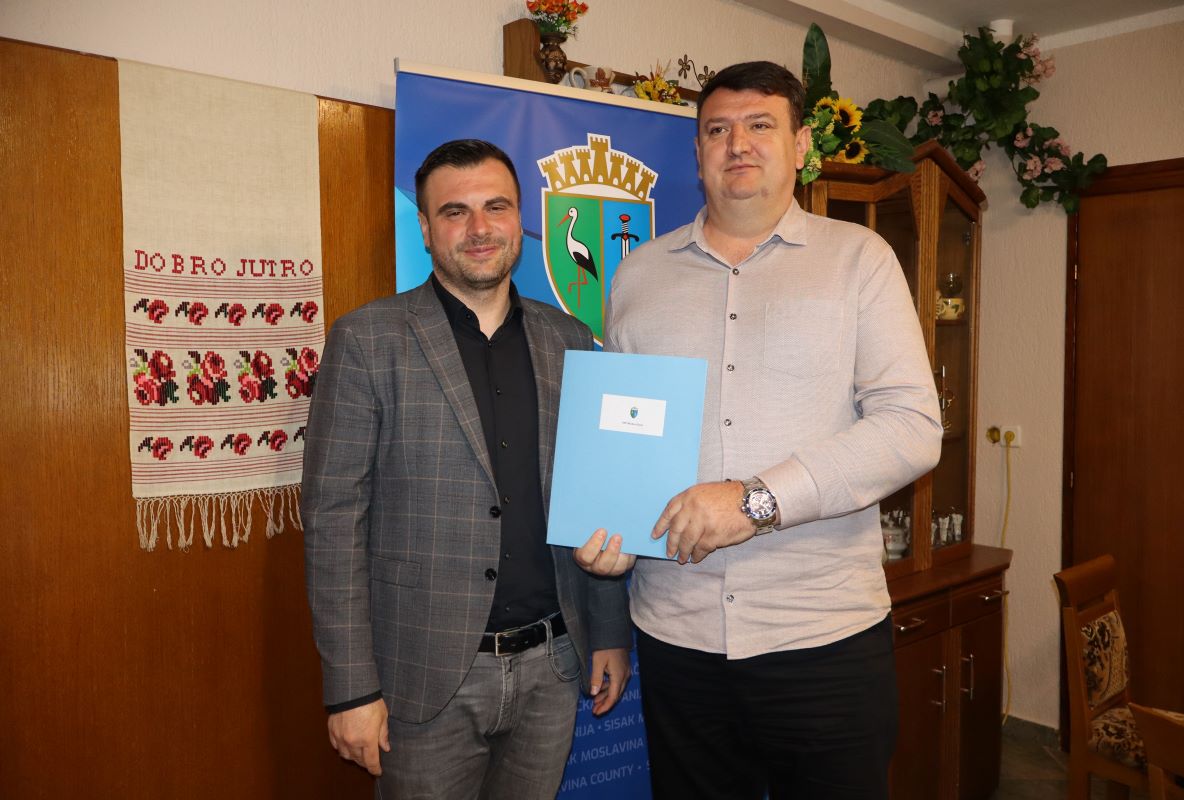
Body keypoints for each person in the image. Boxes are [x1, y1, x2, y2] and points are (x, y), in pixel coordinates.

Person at [575, 62, 943, 798]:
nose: (737, 143)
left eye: (760, 125)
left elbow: (911, 427)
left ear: (801, 145)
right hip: (677, 640)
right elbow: (626, 434)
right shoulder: (638, 274)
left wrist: (754, 502)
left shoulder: (860, 260)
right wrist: (611, 531)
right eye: (717, 129)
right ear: (698, 153)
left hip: (823, 639)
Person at [303, 139, 632, 800]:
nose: (479, 228)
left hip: (553, 666)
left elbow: (595, 496)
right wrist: (351, 689)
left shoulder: (569, 338)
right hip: (423, 677)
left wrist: (608, 632)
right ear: (426, 229)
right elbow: (333, 523)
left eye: (496, 207)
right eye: (455, 211)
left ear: (521, 220)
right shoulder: (366, 340)